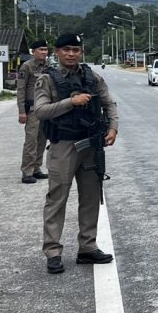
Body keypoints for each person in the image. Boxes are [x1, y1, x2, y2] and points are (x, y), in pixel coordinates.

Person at [34, 33, 120, 274]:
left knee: (91, 197)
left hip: (91, 144)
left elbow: (109, 104)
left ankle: (87, 247)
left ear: (81, 52)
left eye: (76, 49)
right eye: (66, 49)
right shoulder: (47, 79)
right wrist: (70, 102)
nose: (71, 54)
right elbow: (40, 111)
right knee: (57, 198)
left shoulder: (92, 77)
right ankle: (53, 251)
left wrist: (113, 127)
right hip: (63, 145)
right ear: (57, 52)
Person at [17, 39, 51, 184]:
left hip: (46, 109)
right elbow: (21, 89)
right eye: (41, 49)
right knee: (31, 141)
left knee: (42, 140)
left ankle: (36, 168)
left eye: (45, 49)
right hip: (32, 110)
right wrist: (21, 111)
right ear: (33, 52)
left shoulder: (48, 67)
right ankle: (27, 172)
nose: (44, 52)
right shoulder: (27, 66)